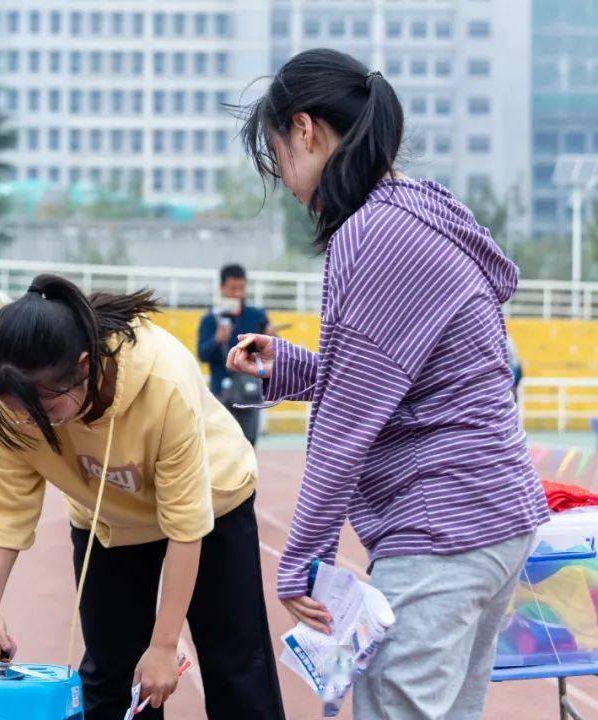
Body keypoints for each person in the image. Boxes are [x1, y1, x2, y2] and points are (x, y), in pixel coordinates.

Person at [229, 48, 548, 720]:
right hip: (486, 518)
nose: (283, 177)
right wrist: (291, 367)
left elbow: (347, 427)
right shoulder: (415, 209)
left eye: (276, 154)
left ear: (307, 130)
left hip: (446, 526)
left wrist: (302, 561)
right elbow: (401, 379)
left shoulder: (372, 235)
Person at [0, 274, 284, 720]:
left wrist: (163, 644)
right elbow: (5, 510)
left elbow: (185, 523)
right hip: (109, 519)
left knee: (235, 665)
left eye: (46, 406)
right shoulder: (9, 411)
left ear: (84, 366)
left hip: (211, 503)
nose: (32, 423)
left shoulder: (163, 379)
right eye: (16, 408)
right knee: (112, 676)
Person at [196, 264, 274, 446]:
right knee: (220, 447)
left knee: (248, 445)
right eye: (233, 288)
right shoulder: (210, 319)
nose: (238, 294)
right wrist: (216, 339)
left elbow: (271, 353)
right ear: (222, 288)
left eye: (241, 288)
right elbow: (202, 354)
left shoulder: (257, 316)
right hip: (220, 393)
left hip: (249, 391)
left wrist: (272, 336)